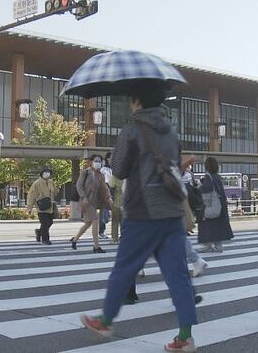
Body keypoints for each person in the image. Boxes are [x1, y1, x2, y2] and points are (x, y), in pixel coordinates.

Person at [80, 85, 198, 353]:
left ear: (137, 102)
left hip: (143, 210)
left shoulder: (132, 129)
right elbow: (173, 165)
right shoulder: (170, 130)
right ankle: (185, 336)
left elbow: (119, 169)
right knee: (178, 275)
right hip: (171, 211)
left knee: (125, 268)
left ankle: (106, 320)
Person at [70, 155, 109, 253]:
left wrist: (108, 197)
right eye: (96, 161)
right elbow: (79, 186)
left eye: (100, 161)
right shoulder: (85, 172)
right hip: (86, 201)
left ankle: (75, 240)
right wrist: (83, 197)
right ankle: (96, 246)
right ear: (91, 162)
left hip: (94, 202)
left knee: (88, 223)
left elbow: (104, 188)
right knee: (95, 221)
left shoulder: (100, 175)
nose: (98, 163)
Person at [198, 157, 234, 253]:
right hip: (220, 204)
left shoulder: (208, 176)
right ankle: (218, 246)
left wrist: (199, 187)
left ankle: (208, 245)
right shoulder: (217, 176)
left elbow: (207, 188)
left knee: (208, 224)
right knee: (218, 225)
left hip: (211, 204)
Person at [28, 167, 58, 245]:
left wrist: (56, 189)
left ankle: (39, 232)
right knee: (45, 223)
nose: (47, 173)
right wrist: (29, 208)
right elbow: (31, 196)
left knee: (50, 222)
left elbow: (55, 192)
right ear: (41, 173)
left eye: (48, 172)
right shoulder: (37, 183)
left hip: (50, 205)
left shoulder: (51, 182)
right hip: (41, 206)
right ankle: (45, 239)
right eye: (45, 172)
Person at [99, 152, 114, 240]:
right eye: (111, 157)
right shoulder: (104, 170)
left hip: (115, 192)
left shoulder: (115, 169)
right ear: (107, 159)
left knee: (117, 214)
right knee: (104, 213)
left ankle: (116, 233)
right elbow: (104, 183)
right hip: (106, 193)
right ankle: (101, 231)